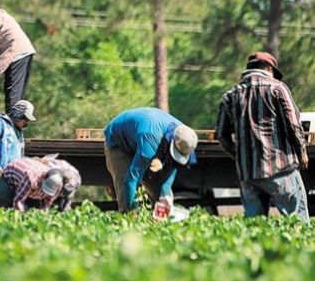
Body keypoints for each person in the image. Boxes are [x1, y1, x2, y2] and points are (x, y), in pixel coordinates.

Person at [216, 52, 309, 222]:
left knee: (255, 228)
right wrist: (301, 151)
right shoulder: (277, 88)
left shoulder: (230, 96)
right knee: (298, 222)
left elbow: (221, 136)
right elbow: (293, 125)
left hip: (248, 174)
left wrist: (239, 156)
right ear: (268, 68)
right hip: (281, 170)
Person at [104, 107, 198, 213]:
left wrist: (165, 197)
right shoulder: (151, 140)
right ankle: (129, 219)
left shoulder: (185, 138)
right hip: (118, 141)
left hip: (141, 136)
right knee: (124, 189)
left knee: (159, 194)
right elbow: (131, 179)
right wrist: (132, 211)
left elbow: (170, 170)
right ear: (171, 143)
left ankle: (158, 221)